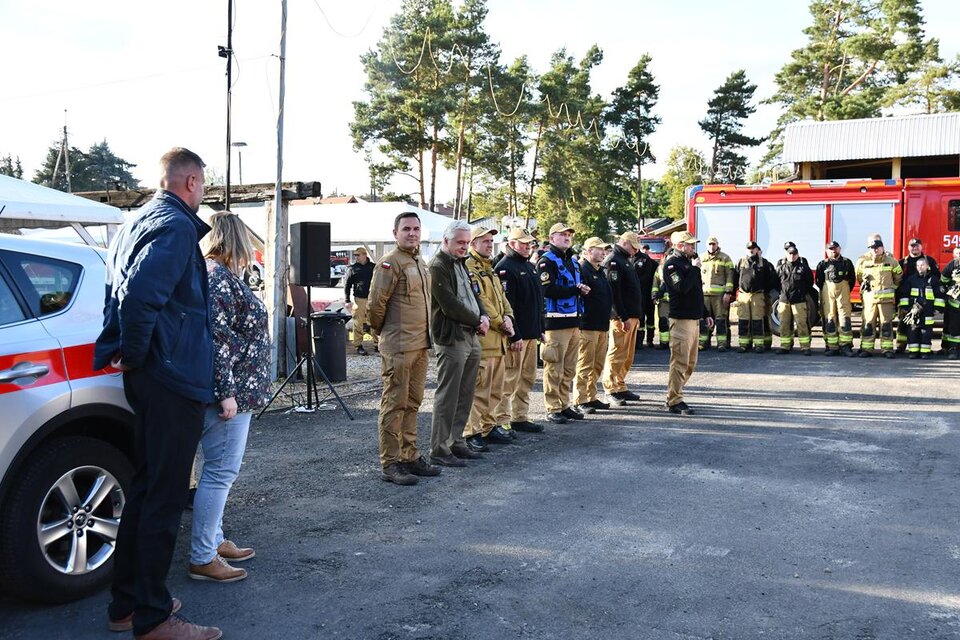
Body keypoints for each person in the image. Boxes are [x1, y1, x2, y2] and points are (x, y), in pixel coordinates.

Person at [95, 148, 222, 640]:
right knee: (164, 500)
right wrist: (134, 353)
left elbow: (128, 292)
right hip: (169, 377)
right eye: (203, 183)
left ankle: (128, 604)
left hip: (155, 375)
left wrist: (135, 357)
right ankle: (153, 617)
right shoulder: (174, 226)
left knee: (147, 491)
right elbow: (138, 296)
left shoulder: (138, 221)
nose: (203, 191)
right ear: (190, 182)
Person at [189, 212, 270, 583]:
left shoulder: (219, 275)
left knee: (219, 471)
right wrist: (227, 393)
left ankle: (214, 541)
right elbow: (217, 341)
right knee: (220, 472)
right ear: (235, 239)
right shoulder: (218, 278)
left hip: (235, 389)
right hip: (228, 392)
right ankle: (203, 556)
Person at [368, 211, 439, 486]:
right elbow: (376, 305)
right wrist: (382, 333)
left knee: (413, 403)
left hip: (420, 345)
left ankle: (410, 456)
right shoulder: (389, 263)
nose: (412, 233)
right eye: (406, 229)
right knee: (394, 404)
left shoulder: (419, 262)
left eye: (416, 229)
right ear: (395, 233)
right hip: (398, 346)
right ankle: (390, 462)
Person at [428, 220, 488, 467]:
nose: (464, 246)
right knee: (448, 395)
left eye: (466, 242)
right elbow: (449, 304)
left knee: (466, 392)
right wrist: (478, 320)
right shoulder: (438, 266)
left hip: (470, 334)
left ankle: (456, 441)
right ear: (446, 241)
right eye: (460, 242)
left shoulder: (461, 263)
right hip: (452, 337)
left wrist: (484, 316)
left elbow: (474, 295)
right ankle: (440, 449)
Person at [464, 227, 515, 450]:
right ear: (473, 243)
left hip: (499, 339)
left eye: (491, 240)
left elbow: (502, 298)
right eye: (484, 240)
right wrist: (500, 322)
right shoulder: (470, 266)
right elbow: (481, 300)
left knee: (495, 388)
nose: (489, 244)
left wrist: (509, 317)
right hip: (485, 338)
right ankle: (472, 431)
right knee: (478, 389)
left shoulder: (490, 267)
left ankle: (488, 425)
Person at [493, 228, 546, 434]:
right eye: (523, 243)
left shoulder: (529, 266)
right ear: (512, 243)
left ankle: (520, 416)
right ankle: (501, 418)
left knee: (527, 378)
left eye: (529, 243)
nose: (527, 246)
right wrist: (514, 335)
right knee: (509, 379)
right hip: (517, 336)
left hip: (531, 333)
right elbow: (507, 307)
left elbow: (537, 301)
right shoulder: (505, 268)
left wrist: (540, 328)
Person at [537, 223, 590, 424]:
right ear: (552, 238)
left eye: (569, 235)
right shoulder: (546, 262)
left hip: (573, 320)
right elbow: (547, 290)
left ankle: (564, 404)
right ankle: (553, 407)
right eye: (563, 235)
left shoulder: (573, 262)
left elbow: (576, 285)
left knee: (569, 368)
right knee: (554, 368)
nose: (567, 237)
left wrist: (582, 289)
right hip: (555, 321)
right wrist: (575, 290)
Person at [663, 231, 711, 415]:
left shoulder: (688, 264)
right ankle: (674, 400)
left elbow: (695, 292)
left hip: (693, 319)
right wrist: (695, 269)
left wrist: (705, 313)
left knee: (690, 362)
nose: (693, 247)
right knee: (680, 362)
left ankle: (675, 394)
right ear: (679, 246)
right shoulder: (671, 265)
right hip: (681, 320)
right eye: (690, 244)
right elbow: (681, 288)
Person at [602, 231, 644, 406]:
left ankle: (619, 384)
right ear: (624, 243)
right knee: (617, 352)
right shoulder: (613, 261)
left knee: (627, 354)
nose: (636, 251)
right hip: (622, 317)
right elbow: (614, 292)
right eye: (633, 247)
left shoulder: (624, 260)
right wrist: (622, 316)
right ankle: (610, 388)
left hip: (631, 315)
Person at [574, 237, 613, 414]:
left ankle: (591, 396)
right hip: (588, 325)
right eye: (600, 249)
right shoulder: (582, 269)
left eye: (605, 249)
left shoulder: (599, 270)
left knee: (597, 364)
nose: (604, 253)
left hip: (601, 324)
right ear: (589, 251)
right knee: (585, 364)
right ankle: (580, 399)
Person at [856, 237, 903, 358]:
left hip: (885, 301)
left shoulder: (892, 261)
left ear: (882, 248)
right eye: (873, 248)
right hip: (870, 301)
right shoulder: (863, 262)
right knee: (868, 324)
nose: (875, 250)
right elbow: (859, 277)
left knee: (886, 325)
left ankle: (887, 349)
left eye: (877, 247)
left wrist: (891, 288)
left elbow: (898, 277)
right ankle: (867, 349)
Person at [896, 238, 941, 353]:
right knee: (904, 323)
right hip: (907, 299)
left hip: (925, 301)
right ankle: (901, 346)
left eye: (917, 245)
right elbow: (897, 281)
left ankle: (923, 347)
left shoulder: (929, 260)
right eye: (912, 246)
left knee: (924, 326)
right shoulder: (903, 262)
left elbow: (936, 279)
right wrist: (902, 303)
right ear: (908, 247)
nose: (915, 248)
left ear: (921, 247)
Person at [815, 241, 856, 356]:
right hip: (828, 293)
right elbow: (819, 281)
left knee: (845, 318)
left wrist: (846, 289)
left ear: (839, 249)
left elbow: (852, 279)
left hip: (843, 293)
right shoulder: (822, 264)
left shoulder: (847, 262)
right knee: (830, 318)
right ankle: (832, 346)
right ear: (826, 251)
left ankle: (846, 346)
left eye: (835, 248)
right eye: (831, 249)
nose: (833, 251)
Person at [733, 242, 774, 353]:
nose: (751, 250)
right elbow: (735, 278)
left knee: (757, 320)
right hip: (743, 295)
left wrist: (765, 292)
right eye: (749, 248)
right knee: (743, 320)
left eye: (753, 248)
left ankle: (759, 345)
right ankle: (743, 344)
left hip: (758, 295)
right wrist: (732, 294)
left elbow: (770, 279)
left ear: (757, 250)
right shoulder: (740, 262)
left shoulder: (764, 263)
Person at [775, 242, 814, 355]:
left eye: (794, 254)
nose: (792, 256)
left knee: (802, 324)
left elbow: (809, 283)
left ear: (797, 254)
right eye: (790, 254)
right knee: (784, 324)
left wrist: (800, 293)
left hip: (799, 301)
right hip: (784, 301)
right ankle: (785, 346)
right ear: (786, 254)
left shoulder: (803, 268)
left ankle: (805, 347)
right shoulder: (781, 268)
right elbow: (776, 283)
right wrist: (782, 294)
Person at [698, 236, 734, 352]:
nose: (712, 246)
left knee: (721, 320)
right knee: (704, 319)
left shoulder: (725, 258)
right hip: (704, 295)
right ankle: (703, 342)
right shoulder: (701, 258)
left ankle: (722, 343)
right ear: (706, 245)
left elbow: (730, 276)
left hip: (720, 296)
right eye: (710, 244)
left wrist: (728, 292)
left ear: (717, 244)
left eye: (713, 244)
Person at [344, 246, 376, 355]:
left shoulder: (373, 267)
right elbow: (347, 285)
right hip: (359, 299)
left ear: (364, 255)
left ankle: (377, 344)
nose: (356, 257)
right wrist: (347, 300)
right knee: (358, 323)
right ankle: (358, 345)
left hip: (372, 299)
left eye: (358, 255)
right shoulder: (352, 269)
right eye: (355, 255)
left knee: (375, 321)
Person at [635, 244, 657, 348]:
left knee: (650, 318)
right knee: (640, 317)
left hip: (648, 293)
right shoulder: (630, 258)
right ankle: (639, 341)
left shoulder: (646, 260)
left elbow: (647, 277)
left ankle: (650, 340)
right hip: (638, 294)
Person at [941, 246, 960, 359]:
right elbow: (943, 281)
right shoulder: (951, 265)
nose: (959, 255)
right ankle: (953, 349)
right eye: (957, 253)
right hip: (955, 303)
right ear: (953, 255)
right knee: (954, 327)